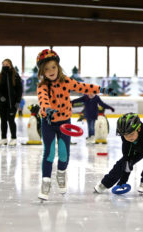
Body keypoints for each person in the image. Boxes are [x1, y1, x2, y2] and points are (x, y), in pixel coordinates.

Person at [36, 49, 114, 201]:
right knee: (50, 152)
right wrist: (47, 110)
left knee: (64, 153)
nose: (51, 71)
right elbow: (43, 100)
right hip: (48, 122)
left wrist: (102, 90)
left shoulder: (66, 81)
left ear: (58, 66)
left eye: (53, 67)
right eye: (46, 69)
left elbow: (84, 87)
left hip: (64, 121)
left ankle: (61, 174)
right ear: (42, 71)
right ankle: (45, 182)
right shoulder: (42, 86)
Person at [0, 59, 23, 146]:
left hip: (12, 104)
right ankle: (4, 138)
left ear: (11, 65)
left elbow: (19, 90)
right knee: (3, 120)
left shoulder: (15, 76)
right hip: (1, 103)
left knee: (11, 120)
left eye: (7, 64)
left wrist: (18, 102)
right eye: (4, 64)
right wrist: (0, 96)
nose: (5, 66)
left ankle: (13, 138)